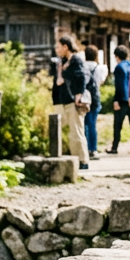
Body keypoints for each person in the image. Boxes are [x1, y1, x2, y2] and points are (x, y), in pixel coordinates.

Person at [51, 36, 91, 170]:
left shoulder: (76, 60)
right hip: (61, 100)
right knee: (61, 131)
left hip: (73, 100)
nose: (56, 49)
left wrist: (79, 94)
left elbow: (82, 77)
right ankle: (68, 158)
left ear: (65, 47)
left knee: (76, 131)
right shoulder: (61, 61)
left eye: (58, 47)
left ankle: (82, 160)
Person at [108, 45, 130, 154]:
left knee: (117, 125)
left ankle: (114, 147)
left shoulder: (119, 67)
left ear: (117, 56)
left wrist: (116, 100)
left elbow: (119, 85)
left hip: (122, 100)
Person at [83, 45, 105, 161]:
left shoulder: (82, 66)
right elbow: (101, 81)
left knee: (84, 124)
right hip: (95, 97)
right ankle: (93, 149)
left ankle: (85, 148)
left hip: (84, 97)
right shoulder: (99, 67)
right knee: (92, 124)